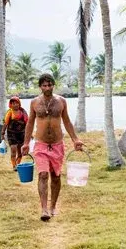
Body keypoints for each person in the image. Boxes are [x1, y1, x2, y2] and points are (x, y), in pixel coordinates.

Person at [22, 73, 83, 221]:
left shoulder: (61, 101)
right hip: (41, 144)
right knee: (43, 174)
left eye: (49, 85)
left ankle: (53, 206)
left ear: (53, 85)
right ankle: (44, 209)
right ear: (40, 86)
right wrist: (25, 143)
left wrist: (75, 139)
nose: (47, 87)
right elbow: (30, 123)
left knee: (55, 177)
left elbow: (67, 121)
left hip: (57, 144)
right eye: (44, 85)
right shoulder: (35, 103)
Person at [1, 96, 29, 170]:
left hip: (21, 134)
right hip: (12, 134)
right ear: (11, 104)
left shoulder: (23, 112)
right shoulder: (9, 112)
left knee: (20, 152)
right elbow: (5, 123)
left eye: (16, 103)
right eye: (13, 103)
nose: (15, 105)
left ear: (19, 104)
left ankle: (18, 164)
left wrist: (30, 134)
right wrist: (2, 133)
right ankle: (14, 166)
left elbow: (28, 123)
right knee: (13, 150)